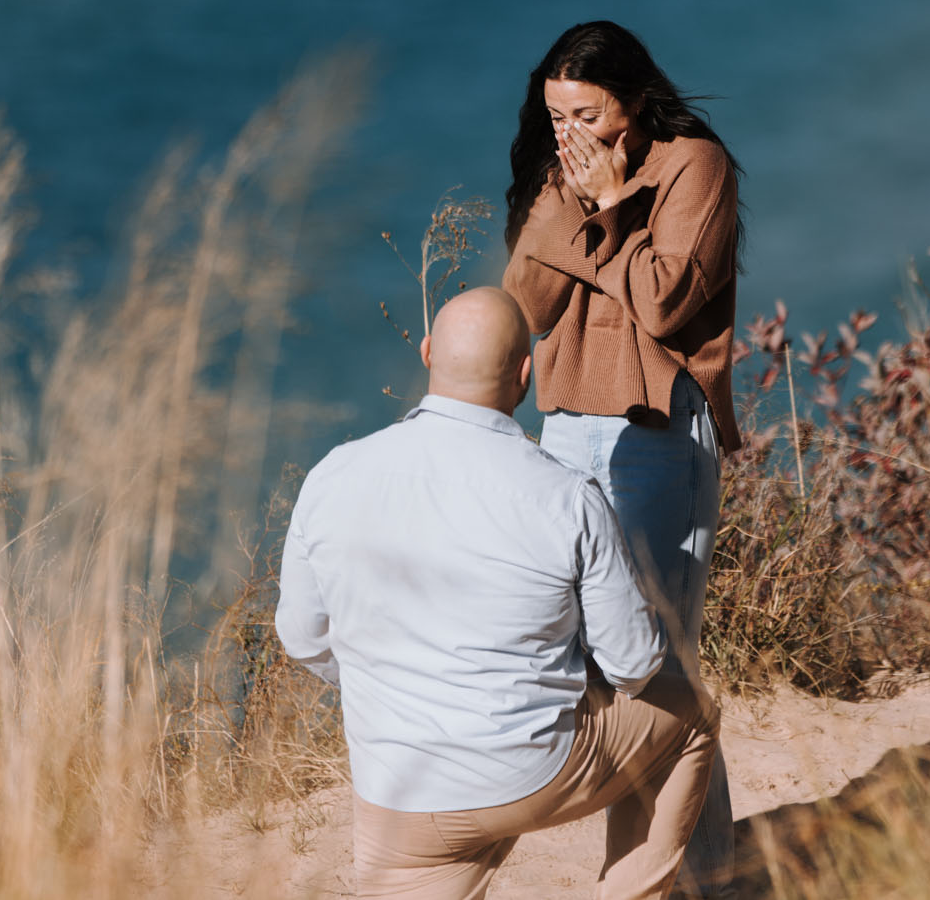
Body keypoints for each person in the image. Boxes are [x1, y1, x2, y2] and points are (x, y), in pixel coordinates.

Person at [275, 287, 719, 900]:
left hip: (396, 793)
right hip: (530, 773)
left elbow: (302, 638)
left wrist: (400, 684)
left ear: (427, 354)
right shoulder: (567, 497)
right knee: (689, 710)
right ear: (525, 375)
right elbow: (635, 665)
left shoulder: (333, 475)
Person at [500, 21, 741, 898]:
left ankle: (650, 878)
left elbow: (666, 304)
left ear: (634, 102)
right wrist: (573, 201)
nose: (572, 132)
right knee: (601, 662)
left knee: (648, 665)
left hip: (656, 430)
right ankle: (706, 870)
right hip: (565, 425)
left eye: (589, 114)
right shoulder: (563, 173)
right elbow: (527, 301)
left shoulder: (692, 167)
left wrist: (605, 216)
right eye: (557, 112)